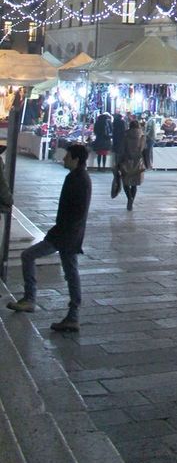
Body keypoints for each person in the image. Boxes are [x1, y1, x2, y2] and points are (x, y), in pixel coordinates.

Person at [6, 142, 91, 332]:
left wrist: (61, 234)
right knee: (71, 273)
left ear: (76, 159)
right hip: (67, 235)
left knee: (29, 256)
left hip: (65, 235)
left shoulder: (78, 180)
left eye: (67, 156)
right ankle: (72, 315)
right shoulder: (77, 177)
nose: (64, 158)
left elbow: (76, 213)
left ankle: (31, 299)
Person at [116, 118, 146, 211]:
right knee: (134, 184)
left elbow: (122, 149)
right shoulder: (142, 136)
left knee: (125, 182)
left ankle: (129, 198)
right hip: (138, 162)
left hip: (126, 161)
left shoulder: (125, 135)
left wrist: (118, 162)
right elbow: (145, 149)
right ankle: (131, 202)